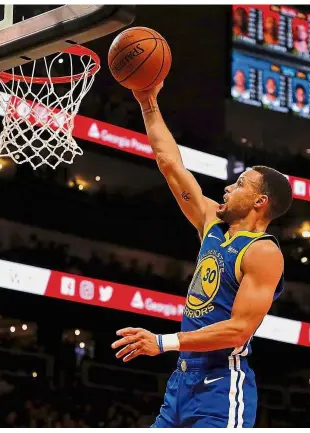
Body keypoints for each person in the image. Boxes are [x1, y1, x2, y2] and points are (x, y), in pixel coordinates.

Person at [111, 82, 293, 428]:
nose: (227, 187)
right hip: (181, 381)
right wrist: (147, 102)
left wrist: (163, 342)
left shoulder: (263, 252)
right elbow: (169, 163)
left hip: (222, 386)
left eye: (240, 184)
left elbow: (238, 330)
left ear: (260, 202)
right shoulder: (212, 222)